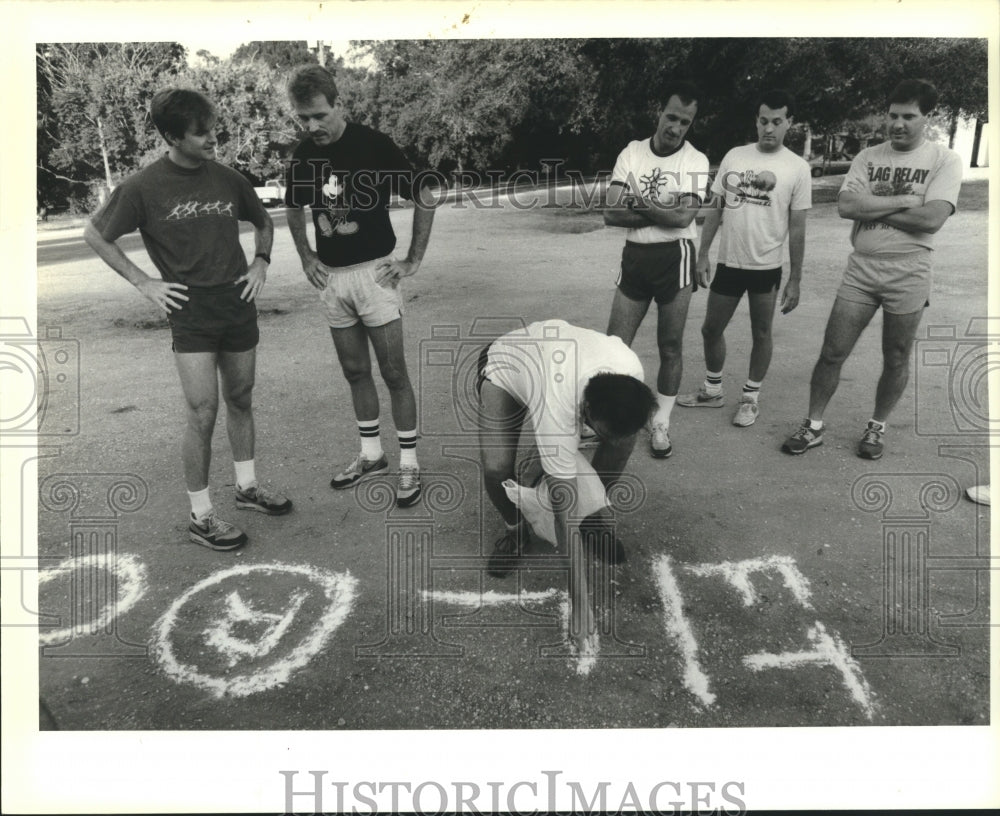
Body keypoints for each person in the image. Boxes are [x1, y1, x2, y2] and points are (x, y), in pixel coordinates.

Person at [84, 88, 292, 552]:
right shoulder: (142, 187)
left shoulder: (228, 178)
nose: (213, 138)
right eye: (202, 133)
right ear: (171, 136)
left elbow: (264, 221)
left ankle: (247, 488)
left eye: (213, 127)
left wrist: (261, 261)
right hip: (191, 312)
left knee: (241, 398)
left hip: (237, 303)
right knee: (203, 411)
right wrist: (143, 282)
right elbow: (95, 234)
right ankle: (201, 517)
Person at [782, 79, 963, 459]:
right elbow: (847, 207)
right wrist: (905, 200)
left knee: (896, 356)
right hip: (861, 269)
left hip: (910, 270)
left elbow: (932, 218)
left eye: (908, 117)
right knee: (833, 351)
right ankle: (813, 425)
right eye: (893, 115)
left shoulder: (944, 160)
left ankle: (876, 428)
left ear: (926, 119)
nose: (898, 124)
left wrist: (875, 203)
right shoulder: (868, 157)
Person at [283, 64, 436, 507]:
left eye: (318, 116)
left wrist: (412, 260)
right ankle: (372, 455)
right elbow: (294, 208)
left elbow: (424, 193)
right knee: (355, 372)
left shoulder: (373, 144)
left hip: (375, 276)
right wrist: (306, 255)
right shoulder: (303, 157)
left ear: (337, 105)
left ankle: (409, 460)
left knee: (393, 373)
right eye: (303, 118)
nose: (312, 126)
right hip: (333, 280)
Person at [477, 319, 656, 647]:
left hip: (553, 362)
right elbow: (564, 518)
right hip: (507, 364)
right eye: (596, 429)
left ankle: (593, 513)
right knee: (496, 466)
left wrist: (584, 502)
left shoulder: (631, 369)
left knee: (622, 441)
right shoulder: (557, 406)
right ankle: (515, 531)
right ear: (586, 409)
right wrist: (580, 605)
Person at [678, 89, 811, 427]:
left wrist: (794, 278)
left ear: (789, 123)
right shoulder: (735, 156)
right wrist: (702, 254)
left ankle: (750, 398)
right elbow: (716, 208)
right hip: (729, 263)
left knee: (762, 333)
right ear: (756, 120)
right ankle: (713, 389)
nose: (769, 128)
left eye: (777, 122)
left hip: (766, 267)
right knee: (710, 329)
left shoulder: (797, 167)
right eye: (764, 121)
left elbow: (797, 228)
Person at [603, 80, 711, 459]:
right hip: (636, 256)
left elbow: (684, 217)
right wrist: (664, 212)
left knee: (670, 345)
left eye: (685, 122)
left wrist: (641, 199)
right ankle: (605, 417)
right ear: (659, 112)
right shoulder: (632, 152)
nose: (675, 128)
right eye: (671, 117)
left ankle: (661, 421)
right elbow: (611, 213)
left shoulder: (695, 161)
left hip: (675, 259)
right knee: (614, 347)